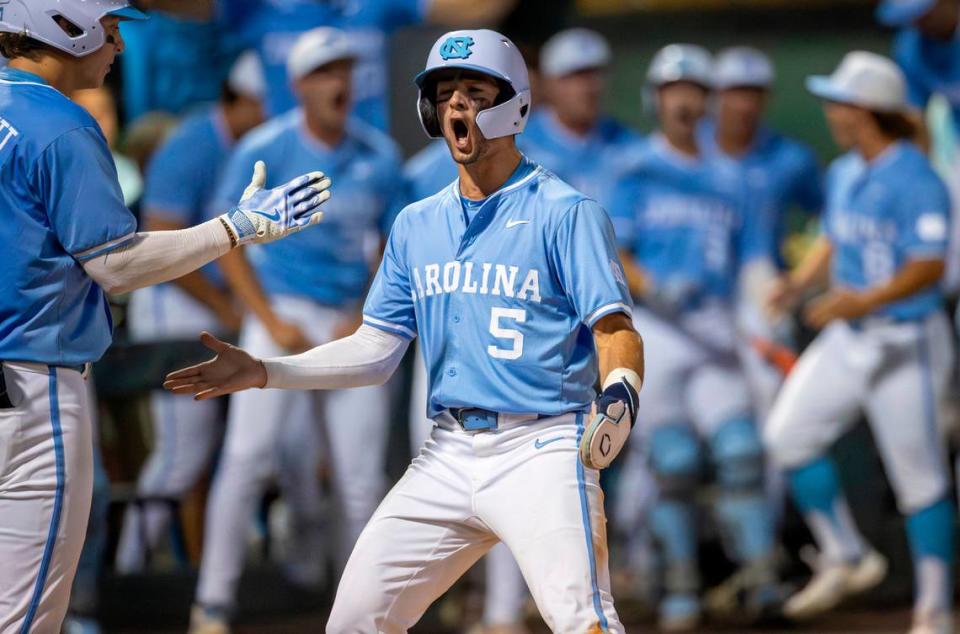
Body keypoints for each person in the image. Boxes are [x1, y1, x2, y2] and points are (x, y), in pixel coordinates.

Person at [166, 28, 644, 633]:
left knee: (584, 622)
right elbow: (376, 351)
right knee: (354, 622)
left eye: (473, 90)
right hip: (445, 452)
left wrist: (621, 388)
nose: (456, 106)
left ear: (516, 103)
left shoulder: (566, 212)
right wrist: (267, 372)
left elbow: (615, 329)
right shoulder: (417, 223)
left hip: (542, 446)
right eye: (444, 94)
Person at [0, 1, 331, 630]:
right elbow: (116, 264)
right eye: (111, 26)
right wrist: (236, 229)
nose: (118, 44)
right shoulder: (58, 124)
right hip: (30, 381)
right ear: (61, 26)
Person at [186, 27, 405, 633]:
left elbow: (393, 244)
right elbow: (226, 239)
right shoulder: (266, 148)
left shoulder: (378, 155)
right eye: (324, 72)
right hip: (280, 311)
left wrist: (365, 309)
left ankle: (365, 613)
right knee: (248, 456)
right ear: (300, 85)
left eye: (345, 70)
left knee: (361, 476)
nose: (339, 82)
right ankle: (212, 601)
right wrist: (264, 316)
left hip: (345, 318)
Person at [765, 51, 956, 634]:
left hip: (907, 342)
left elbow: (929, 266)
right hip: (851, 338)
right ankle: (847, 553)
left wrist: (864, 299)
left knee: (919, 477)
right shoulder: (846, 170)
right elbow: (832, 237)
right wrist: (799, 282)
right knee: (788, 438)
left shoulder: (917, 176)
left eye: (839, 100)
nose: (830, 110)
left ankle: (935, 606)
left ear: (865, 109)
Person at [610, 44, 782, 632]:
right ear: (654, 98)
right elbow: (617, 252)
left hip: (714, 327)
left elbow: (755, 258)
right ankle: (678, 583)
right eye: (672, 89)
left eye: (693, 90)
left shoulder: (734, 176)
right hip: (656, 328)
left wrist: (767, 304)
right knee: (675, 460)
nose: (683, 100)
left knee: (740, 450)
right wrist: (653, 284)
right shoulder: (635, 168)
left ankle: (760, 576)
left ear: (708, 100)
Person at [114, 50, 267, 575]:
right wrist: (229, 305)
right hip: (174, 302)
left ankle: (162, 565)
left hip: (216, 305)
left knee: (210, 454)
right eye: (262, 104)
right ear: (240, 100)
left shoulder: (249, 143)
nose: (270, 113)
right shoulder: (193, 144)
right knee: (181, 452)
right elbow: (164, 249)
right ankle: (128, 570)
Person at [699, 46, 823, 420]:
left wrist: (805, 268)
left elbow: (832, 218)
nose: (744, 104)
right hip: (699, 295)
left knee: (776, 403)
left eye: (753, 92)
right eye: (734, 91)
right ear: (716, 96)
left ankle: (775, 481)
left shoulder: (791, 158)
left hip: (762, 292)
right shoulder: (686, 151)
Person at [216, 0, 520, 128]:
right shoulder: (257, 7)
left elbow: (471, 7)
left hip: (366, 163)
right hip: (286, 159)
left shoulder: (376, 4)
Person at [519, 28, 646, 211]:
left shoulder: (629, 145)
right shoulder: (520, 146)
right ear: (548, 83)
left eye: (596, 75)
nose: (590, 87)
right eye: (575, 76)